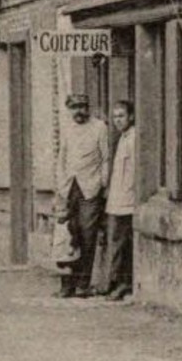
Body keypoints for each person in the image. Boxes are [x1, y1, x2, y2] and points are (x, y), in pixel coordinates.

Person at [55, 91, 110, 298]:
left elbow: (105, 159)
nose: (80, 111)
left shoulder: (99, 127)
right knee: (67, 235)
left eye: (83, 107)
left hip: (90, 187)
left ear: (88, 108)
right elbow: (62, 158)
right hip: (69, 188)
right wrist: (61, 186)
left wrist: (101, 185)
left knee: (87, 235)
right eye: (75, 107)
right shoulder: (67, 129)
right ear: (70, 109)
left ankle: (83, 283)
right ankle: (66, 283)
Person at [104, 100, 136, 300]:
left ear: (131, 117)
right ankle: (115, 281)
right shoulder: (123, 138)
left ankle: (123, 283)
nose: (117, 120)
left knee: (122, 243)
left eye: (121, 116)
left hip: (127, 200)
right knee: (116, 241)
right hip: (117, 200)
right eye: (115, 116)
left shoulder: (133, 139)